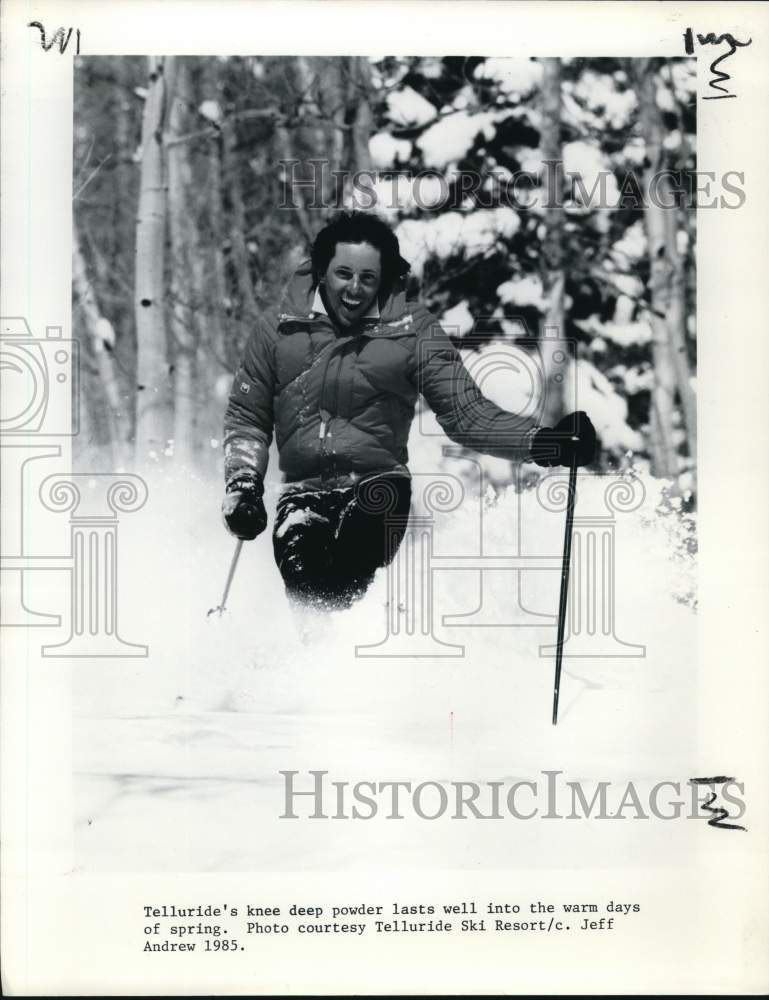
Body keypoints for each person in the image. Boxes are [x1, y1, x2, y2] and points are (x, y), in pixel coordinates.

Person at [222, 211, 596, 611]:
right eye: (344, 273)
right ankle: (328, 648)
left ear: (384, 278)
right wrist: (244, 483)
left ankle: (365, 638)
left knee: (349, 577)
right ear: (321, 271)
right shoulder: (278, 330)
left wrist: (545, 443)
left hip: (377, 487)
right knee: (308, 590)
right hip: (301, 495)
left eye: (368, 277)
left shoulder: (411, 329)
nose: (355, 288)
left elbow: (464, 413)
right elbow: (248, 419)